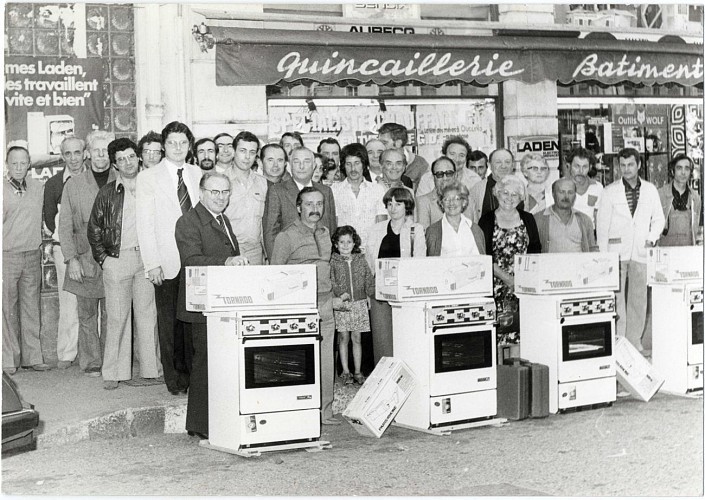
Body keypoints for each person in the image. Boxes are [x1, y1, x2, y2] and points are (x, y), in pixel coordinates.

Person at [175, 172, 248, 439]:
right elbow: (191, 259)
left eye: (225, 192)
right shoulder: (188, 222)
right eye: (215, 192)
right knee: (205, 363)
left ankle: (215, 421)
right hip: (202, 304)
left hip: (222, 302)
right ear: (202, 192)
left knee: (219, 363)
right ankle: (201, 425)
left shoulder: (222, 219)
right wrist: (226, 262)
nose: (220, 197)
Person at [87, 138, 162, 390]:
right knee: (117, 317)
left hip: (147, 259)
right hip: (118, 259)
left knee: (147, 316)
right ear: (115, 165)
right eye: (121, 159)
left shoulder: (150, 185)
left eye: (131, 157)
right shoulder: (107, 192)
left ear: (138, 157)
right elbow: (94, 229)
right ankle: (113, 373)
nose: (127, 162)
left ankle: (152, 370)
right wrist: (104, 259)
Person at [136, 121, 202, 396]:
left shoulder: (198, 174)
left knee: (193, 322)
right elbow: (145, 223)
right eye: (172, 142)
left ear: (189, 146)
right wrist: (152, 264)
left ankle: (193, 377)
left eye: (183, 143)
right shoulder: (148, 177)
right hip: (166, 262)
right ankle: (175, 381)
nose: (178, 148)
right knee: (170, 324)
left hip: (195, 260)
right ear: (164, 145)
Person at [270, 187, 339, 426]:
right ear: (299, 207)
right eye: (309, 204)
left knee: (326, 359)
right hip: (300, 307)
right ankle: (299, 412)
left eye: (319, 204)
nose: (315, 209)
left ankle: (325, 412)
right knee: (299, 362)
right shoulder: (285, 237)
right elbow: (275, 275)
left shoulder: (325, 232)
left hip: (326, 303)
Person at [60, 130, 116, 377]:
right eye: (96, 150)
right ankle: (92, 362)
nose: (101, 155)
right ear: (87, 154)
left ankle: (113, 362)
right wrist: (71, 259)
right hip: (84, 258)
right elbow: (64, 225)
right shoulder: (74, 184)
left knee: (113, 314)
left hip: (115, 258)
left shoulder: (122, 179)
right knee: (86, 314)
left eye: (106, 150)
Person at [597, 148, 665, 352]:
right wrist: (604, 256)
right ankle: (618, 341)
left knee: (638, 299)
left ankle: (634, 341)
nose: (626, 169)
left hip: (641, 251)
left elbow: (659, 219)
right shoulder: (609, 191)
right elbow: (601, 226)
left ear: (639, 165)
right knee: (616, 299)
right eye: (623, 165)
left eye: (630, 165)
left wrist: (651, 238)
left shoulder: (651, 190)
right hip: (616, 253)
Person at [364, 187, 426, 365]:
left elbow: (419, 261)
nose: (393, 208)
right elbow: (369, 260)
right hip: (380, 291)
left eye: (398, 204)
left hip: (406, 291)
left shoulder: (416, 229)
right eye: (389, 204)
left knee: (406, 338)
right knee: (382, 340)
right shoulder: (376, 229)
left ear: (407, 205)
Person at [478, 174, 541, 345]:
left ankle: (516, 371)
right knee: (496, 337)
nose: (509, 198)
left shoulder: (528, 218)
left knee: (521, 337)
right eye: (505, 193)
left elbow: (535, 251)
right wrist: (508, 279)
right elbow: (484, 256)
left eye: (515, 195)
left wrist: (521, 280)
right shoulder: (486, 220)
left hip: (522, 286)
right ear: (496, 193)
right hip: (495, 286)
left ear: (521, 198)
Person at [3, 146, 49, 374]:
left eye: (23, 163)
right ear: (7, 164)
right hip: (7, 256)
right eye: (14, 164)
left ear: (29, 164)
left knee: (32, 309)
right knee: (7, 309)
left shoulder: (38, 187)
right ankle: (9, 360)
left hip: (32, 255)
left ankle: (33, 356)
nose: (19, 168)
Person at [43, 135, 85, 369]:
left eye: (77, 152)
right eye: (67, 153)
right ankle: (67, 353)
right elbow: (49, 221)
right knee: (68, 301)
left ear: (84, 153)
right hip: (64, 251)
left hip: (91, 252)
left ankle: (90, 353)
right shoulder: (54, 184)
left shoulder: (93, 179)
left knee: (92, 302)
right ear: (62, 156)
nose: (73, 158)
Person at [262, 147, 337, 260]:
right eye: (297, 162)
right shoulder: (277, 191)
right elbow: (270, 232)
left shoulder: (326, 191)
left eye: (306, 161)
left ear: (314, 165)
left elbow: (331, 227)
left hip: (322, 261)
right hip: (291, 262)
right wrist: (277, 266)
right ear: (290, 165)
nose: (301, 166)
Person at [330, 225, 375, 386]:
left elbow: (368, 278)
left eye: (349, 242)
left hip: (359, 304)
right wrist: (340, 294)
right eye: (341, 242)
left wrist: (370, 294)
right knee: (343, 338)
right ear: (336, 244)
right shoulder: (333, 262)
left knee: (357, 338)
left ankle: (357, 371)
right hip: (343, 305)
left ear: (354, 243)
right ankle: (345, 371)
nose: (345, 245)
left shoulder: (360, 260)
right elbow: (332, 281)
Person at [223, 131, 267, 265]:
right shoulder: (221, 181)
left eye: (252, 152)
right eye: (243, 151)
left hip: (256, 251)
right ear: (234, 151)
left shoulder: (263, 183)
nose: (247, 157)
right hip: (230, 251)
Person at [331, 143, 387, 244]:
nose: (353, 169)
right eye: (348, 164)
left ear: (364, 164)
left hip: (371, 249)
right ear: (343, 166)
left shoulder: (377, 190)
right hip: (344, 251)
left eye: (357, 163)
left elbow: (382, 225)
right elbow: (334, 224)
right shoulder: (334, 191)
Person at [535, 178, 598, 253]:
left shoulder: (585, 220)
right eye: (561, 192)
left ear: (575, 196)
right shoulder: (538, 219)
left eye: (570, 192)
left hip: (578, 264)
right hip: (551, 264)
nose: (566, 197)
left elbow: (592, 249)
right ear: (553, 194)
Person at [425, 182, 485, 257]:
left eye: (456, 199)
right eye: (446, 199)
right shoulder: (432, 231)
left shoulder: (475, 229)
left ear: (463, 202)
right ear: (441, 204)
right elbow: (430, 264)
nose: (451, 203)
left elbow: (483, 260)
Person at [415, 156, 473, 228]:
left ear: (455, 176)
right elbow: (423, 235)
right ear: (433, 178)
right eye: (440, 174)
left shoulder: (468, 201)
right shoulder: (423, 202)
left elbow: (474, 231)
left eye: (449, 173)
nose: (445, 178)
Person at [658, 154, 702, 246]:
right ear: (672, 171)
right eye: (679, 168)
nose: (683, 172)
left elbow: (698, 230)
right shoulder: (660, 195)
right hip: (665, 250)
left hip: (687, 251)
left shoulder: (695, 198)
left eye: (687, 168)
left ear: (690, 172)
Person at [416, 136, 480, 197]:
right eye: (452, 154)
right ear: (445, 155)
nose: (456, 159)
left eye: (461, 155)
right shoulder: (428, 178)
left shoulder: (474, 180)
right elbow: (421, 204)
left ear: (466, 158)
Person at [468, 148, 520, 223]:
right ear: (489, 165)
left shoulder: (521, 188)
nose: (503, 166)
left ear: (513, 165)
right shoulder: (476, 189)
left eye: (507, 162)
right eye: (498, 162)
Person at [557, 147, 603, 227]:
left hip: (589, 235)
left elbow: (599, 218)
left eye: (584, 167)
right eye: (577, 166)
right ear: (569, 166)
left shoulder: (597, 188)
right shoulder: (558, 187)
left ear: (590, 167)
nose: (580, 171)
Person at [378, 122, 429, 190]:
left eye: (384, 143)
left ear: (398, 143)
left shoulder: (420, 164)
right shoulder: (376, 162)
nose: (379, 146)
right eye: (379, 142)